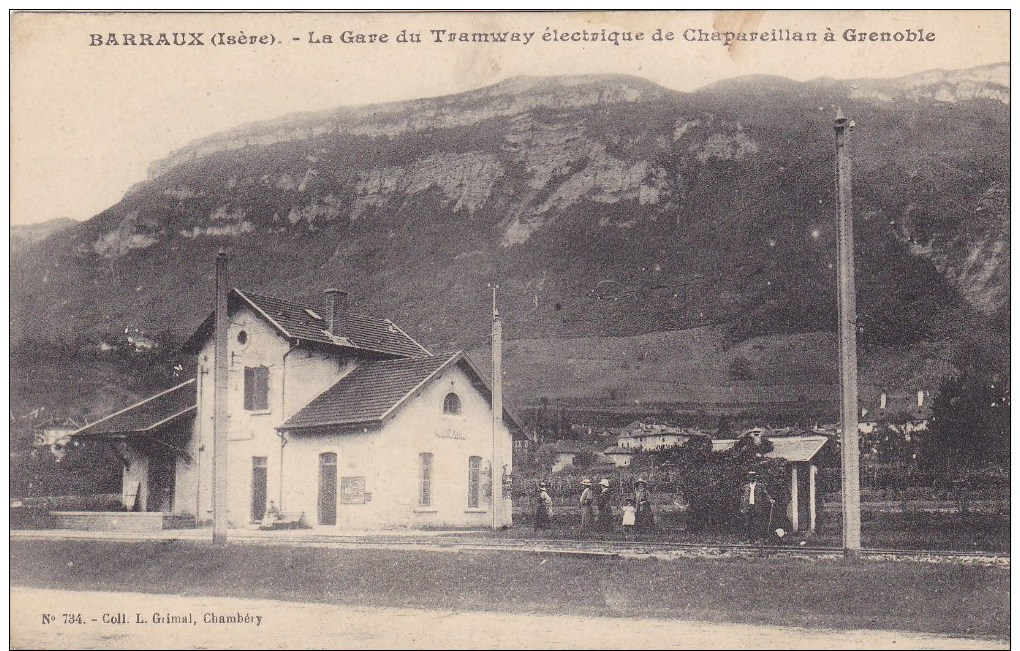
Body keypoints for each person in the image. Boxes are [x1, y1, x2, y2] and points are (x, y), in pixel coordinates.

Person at [739, 470, 775, 543]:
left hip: (757, 506)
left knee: (757, 523)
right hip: (747, 506)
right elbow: (742, 497)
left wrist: (770, 499)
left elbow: (766, 494)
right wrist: (741, 507)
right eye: (750, 477)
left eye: (753, 477)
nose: (751, 479)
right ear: (748, 478)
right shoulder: (745, 486)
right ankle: (748, 539)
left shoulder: (760, 486)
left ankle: (757, 539)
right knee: (747, 523)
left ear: (755, 478)